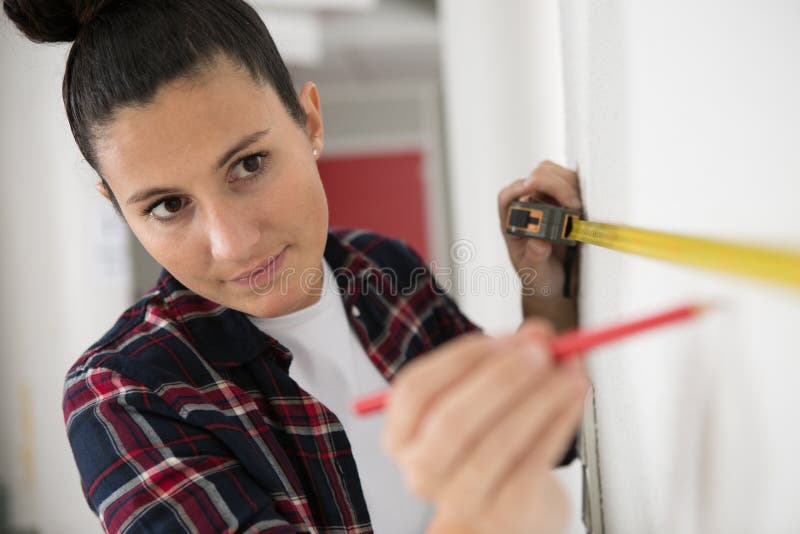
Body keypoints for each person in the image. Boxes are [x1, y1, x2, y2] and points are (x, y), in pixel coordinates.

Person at [3, 0, 588, 532]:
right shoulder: (126, 392)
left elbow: (546, 432)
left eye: (249, 164)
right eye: (167, 206)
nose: (231, 244)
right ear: (120, 210)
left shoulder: (382, 269)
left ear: (310, 121)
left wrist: (544, 280)